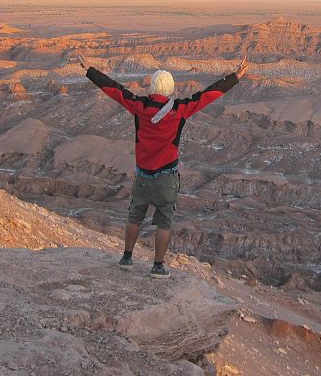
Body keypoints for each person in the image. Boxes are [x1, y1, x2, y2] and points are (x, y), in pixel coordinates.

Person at [78, 55, 249, 278]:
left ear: (151, 88)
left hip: (143, 176)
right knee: (164, 222)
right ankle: (158, 266)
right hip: (166, 177)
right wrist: (234, 77)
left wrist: (90, 69)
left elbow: (114, 89)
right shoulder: (179, 110)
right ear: (168, 90)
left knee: (134, 216)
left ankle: (127, 257)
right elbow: (208, 95)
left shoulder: (139, 106)